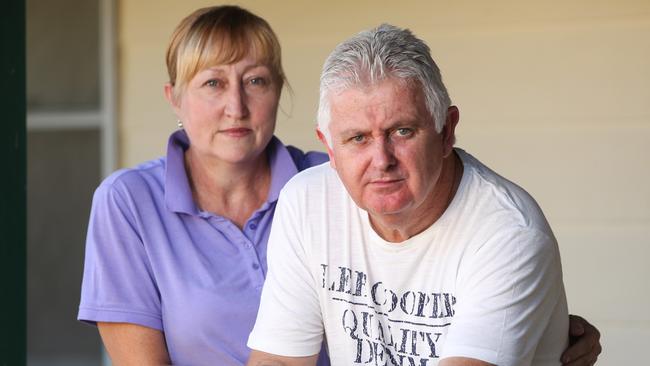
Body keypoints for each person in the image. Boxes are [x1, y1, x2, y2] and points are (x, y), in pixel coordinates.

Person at [77, 5, 600, 366]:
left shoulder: (318, 182)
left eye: (255, 81)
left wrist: (535, 325)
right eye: (212, 83)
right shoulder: (314, 194)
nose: (380, 161)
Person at [247, 24, 601, 366]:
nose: (381, 160)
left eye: (402, 131)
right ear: (330, 149)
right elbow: (277, 359)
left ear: (446, 131)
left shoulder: (508, 234)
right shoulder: (307, 202)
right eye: (358, 138)